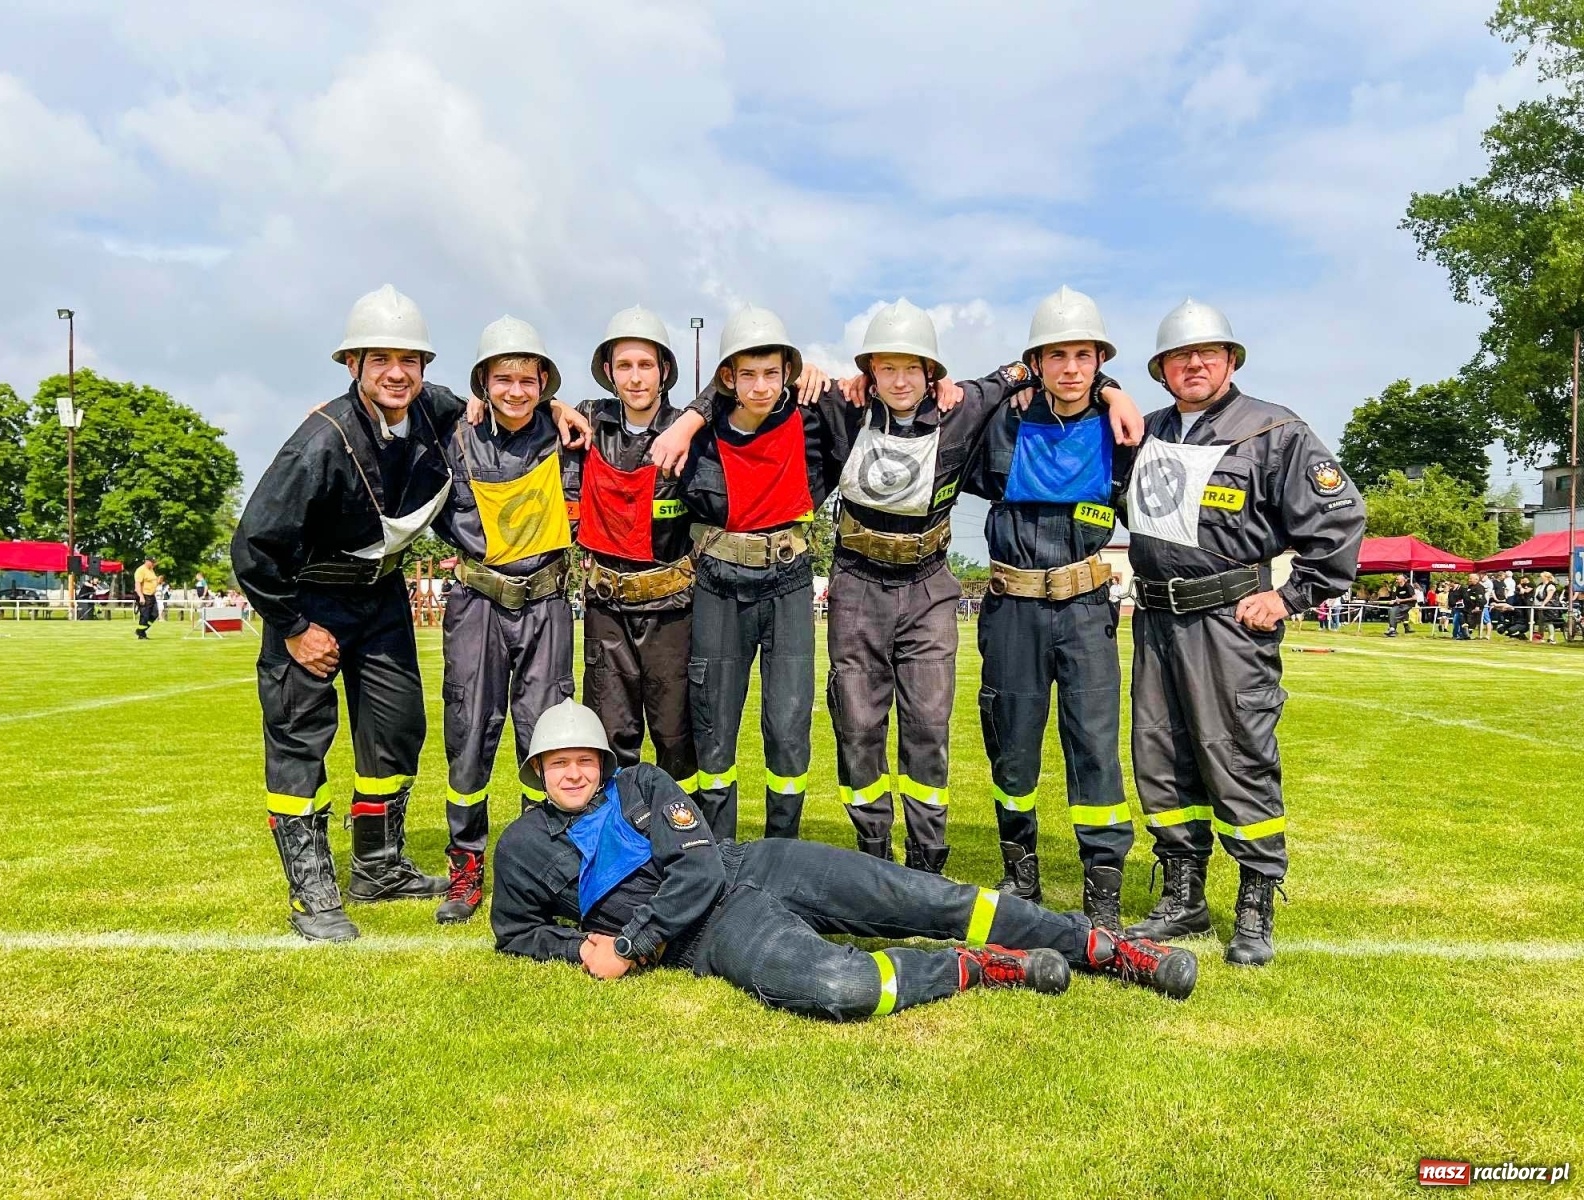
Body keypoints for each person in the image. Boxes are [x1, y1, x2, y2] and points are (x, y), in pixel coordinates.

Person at [231, 285, 587, 942]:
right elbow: (252, 545)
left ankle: (378, 866)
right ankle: (312, 891)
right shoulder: (319, 442)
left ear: (424, 368)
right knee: (300, 741)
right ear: (353, 365)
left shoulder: (430, 407)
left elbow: (506, 396)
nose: (397, 374)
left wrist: (557, 405)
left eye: (409, 361)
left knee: (396, 731)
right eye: (381, 361)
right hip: (310, 597)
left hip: (382, 594)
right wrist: (294, 628)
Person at [490, 699, 1198, 1019]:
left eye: (584, 760)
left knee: (931, 899)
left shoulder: (643, 783)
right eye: (558, 763)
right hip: (709, 936)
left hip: (748, 869)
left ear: (603, 762)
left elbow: (699, 869)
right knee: (843, 987)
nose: (573, 773)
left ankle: (1105, 948)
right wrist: (578, 949)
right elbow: (515, 931)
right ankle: (981, 968)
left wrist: (628, 945)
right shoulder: (521, 847)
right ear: (537, 770)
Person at [813, 297, 1144, 880]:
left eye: (912, 367)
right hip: (859, 586)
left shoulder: (965, 408)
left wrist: (1112, 390)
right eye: (886, 367)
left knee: (929, 727)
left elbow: (1029, 369)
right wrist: (814, 375)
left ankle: (927, 864)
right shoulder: (846, 407)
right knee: (858, 727)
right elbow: (766, 380)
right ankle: (873, 861)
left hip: (931, 585)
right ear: (869, 371)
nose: (899, 380)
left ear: (933, 373)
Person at [1118, 299, 1365, 966]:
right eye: (1180, 355)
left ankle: (1255, 902)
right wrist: (1110, 391)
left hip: (1228, 627)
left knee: (1237, 754)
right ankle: (1183, 895)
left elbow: (1340, 520)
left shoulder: (1273, 431)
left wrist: (1290, 596)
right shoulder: (1144, 432)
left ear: (1231, 360)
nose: (1194, 364)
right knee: (1162, 757)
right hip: (1156, 623)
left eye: (1208, 353)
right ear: (1162, 369)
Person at [953, 288, 1146, 922]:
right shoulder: (1002, 423)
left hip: (1087, 610)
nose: (1071, 368)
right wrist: (1015, 381)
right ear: (1035, 362)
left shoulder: (1121, 432)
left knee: (1094, 746)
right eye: (1056, 355)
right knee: (1011, 745)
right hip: (1012, 610)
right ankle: (1021, 873)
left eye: (1084, 356)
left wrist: (1115, 394)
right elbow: (953, 404)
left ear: (1100, 360)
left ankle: (1103, 889)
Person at [429, 316, 593, 925]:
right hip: (477, 604)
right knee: (469, 734)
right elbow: (400, 407)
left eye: (529, 380)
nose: (516, 391)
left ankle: (538, 868)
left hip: (547, 603)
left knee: (547, 736)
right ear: (483, 383)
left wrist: (564, 409)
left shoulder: (570, 433)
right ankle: (466, 864)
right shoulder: (456, 436)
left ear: (545, 382)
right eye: (503, 379)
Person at [678, 307, 840, 841]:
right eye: (747, 374)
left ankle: (780, 848)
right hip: (718, 583)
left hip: (788, 581)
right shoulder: (698, 435)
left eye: (773, 372)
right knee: (713, 723)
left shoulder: (811, 418)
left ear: (788, 371)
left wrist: (823, 376)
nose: (761, 386)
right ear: (727, 377)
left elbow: (874, 392)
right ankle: (717, 850)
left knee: (789, 725)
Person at [564, 307, 714, 803]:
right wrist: (553, 405)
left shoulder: (688, 430)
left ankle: (686, 836)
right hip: (607, 611)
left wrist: (691, 422)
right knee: (611, 735)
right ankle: (619, 833)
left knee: (676, 736)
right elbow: (521, 399)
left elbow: (730, 389)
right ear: (608, 371)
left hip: (673, 612)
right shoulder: (589, 421)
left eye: (645, 365)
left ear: (664, 369)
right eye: (624, 366)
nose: (635, 378)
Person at [133, 557, 161, 639]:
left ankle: (140, 631)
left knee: (155, 614)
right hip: (144, 595)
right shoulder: (141, 570)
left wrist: (157, 582)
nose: (154, 564)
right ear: (147, 561)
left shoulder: (151, 570)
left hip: (151, 596)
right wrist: (141, 597)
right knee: (145, 616)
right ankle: (141, 634)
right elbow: (137, 584)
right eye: (153, 562)